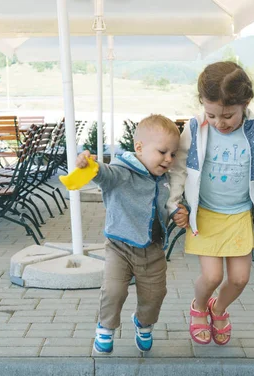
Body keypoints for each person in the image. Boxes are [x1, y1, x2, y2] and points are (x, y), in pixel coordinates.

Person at [168, 62, 254, 346]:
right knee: (212, 276)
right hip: (205, 214)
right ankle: (198, 307)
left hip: (239, 215)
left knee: (240, 279)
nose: (219, 122)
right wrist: (174, 204)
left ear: (246, 103)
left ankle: (218, 310)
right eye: (212, 114)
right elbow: (179, 167)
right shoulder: (196, 129)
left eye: (228, 115)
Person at [74, 114, 180, 354]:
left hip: (153, 250)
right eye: (162, 152)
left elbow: (172, 204)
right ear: (139, 147)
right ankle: (106, 327)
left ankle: (143, 323)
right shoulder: (121, 173)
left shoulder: (166, 180)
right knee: (114, 290)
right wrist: (90, 165)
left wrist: (180, 213)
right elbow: (104, 173)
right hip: (119, 247)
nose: (168, 159)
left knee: (155, 294)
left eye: (173, 154)